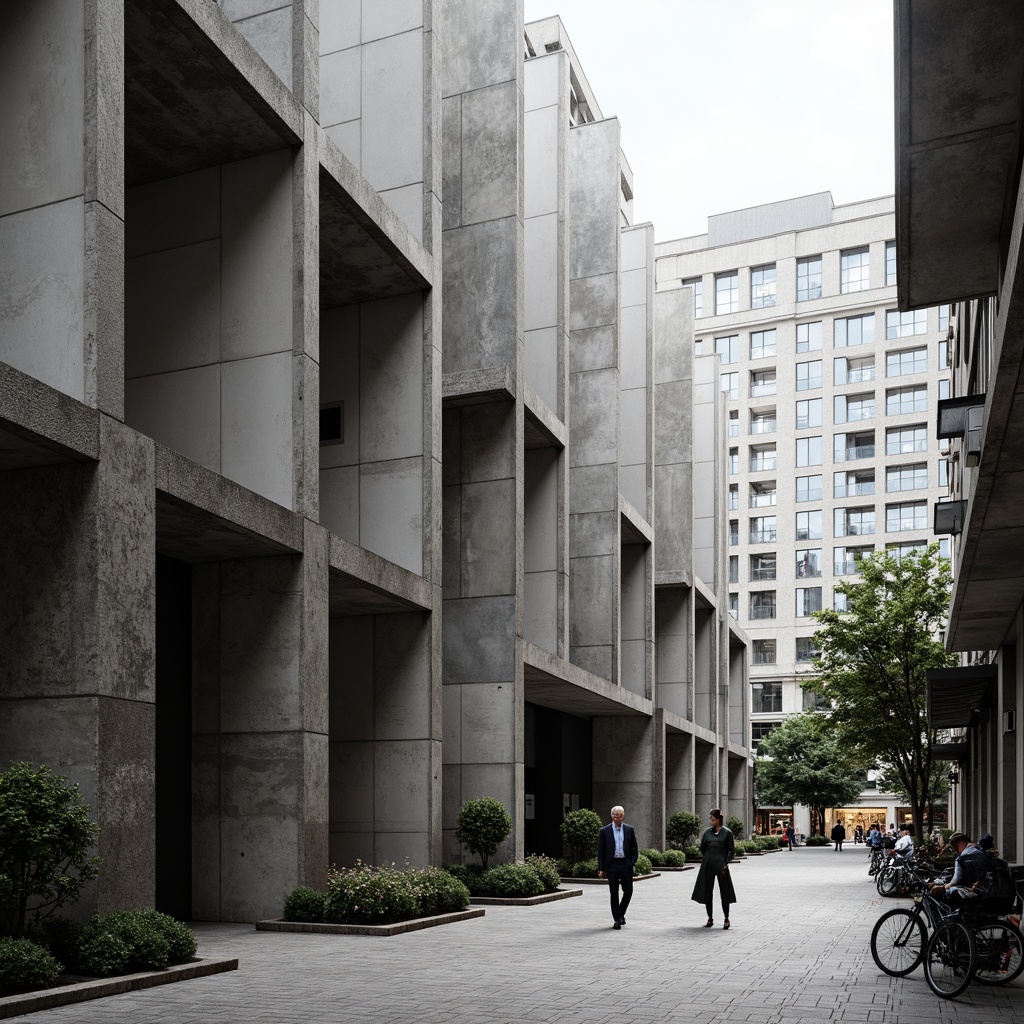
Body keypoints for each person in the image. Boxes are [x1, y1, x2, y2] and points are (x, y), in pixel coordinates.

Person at [690, 808, 737, 929]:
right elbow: (703, 848)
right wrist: (708, 857)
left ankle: (726, 918)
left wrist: (725, 862)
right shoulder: (707, 833)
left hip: (722, 865)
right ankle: (710, 918)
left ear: (719, 819)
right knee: (707, 891)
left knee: (725, 891)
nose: (711, 821)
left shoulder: (727, 833)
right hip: (708, 864)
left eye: (713, 818)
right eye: (710, 818)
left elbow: (731, 850)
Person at [596, 805, 638, 929]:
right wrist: (601, 868)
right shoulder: (605, 831)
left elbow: (635, 849)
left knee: (628, 891)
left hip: (625, 864)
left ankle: (620, 913)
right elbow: (601, 851)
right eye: (616, 815)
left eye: (620, 815)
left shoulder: (629, 829)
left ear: (623, 815)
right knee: (613, 893)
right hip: (612, 864)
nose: (618, 818)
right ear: (612, 816)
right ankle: (617, 919)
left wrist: (632, 862)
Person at [930, 831, 991, 910]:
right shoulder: (979, 850)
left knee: (941, 894)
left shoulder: (963, 856)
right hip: (987, 891)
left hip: (977, 892)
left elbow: (956, 879)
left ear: (960, 843)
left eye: (955, 847)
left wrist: (944, 887)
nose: (956, 851)